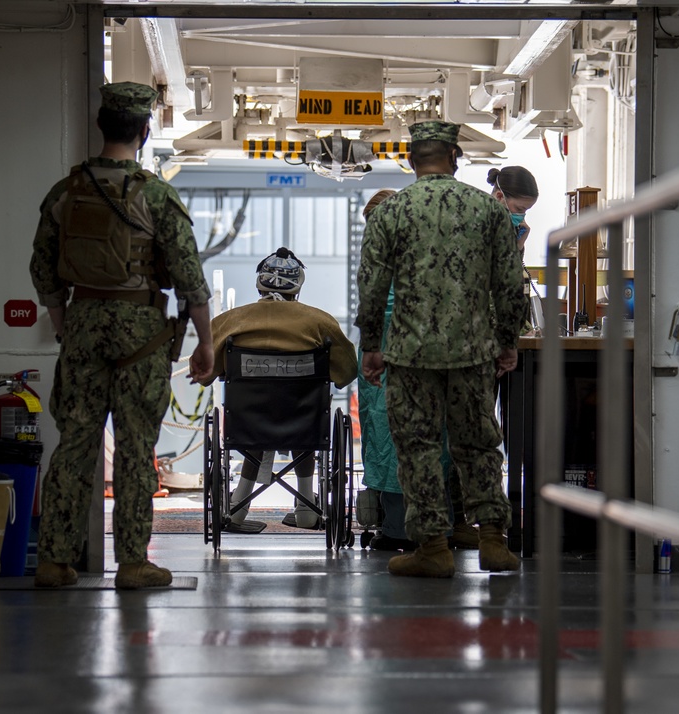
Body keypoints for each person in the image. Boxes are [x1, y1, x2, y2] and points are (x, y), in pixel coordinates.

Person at [30, 81, 215, 589]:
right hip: (142, 332)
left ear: (100, 126)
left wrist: (65, 322)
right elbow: (189, 278)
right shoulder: (156, 194)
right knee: (137, 446)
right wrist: (206, 341)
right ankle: (133, 562)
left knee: (75, 443)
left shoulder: (65, 192)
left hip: (84, 323)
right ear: (143, 130)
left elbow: (42, 268)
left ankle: (54, 559)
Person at [356, 120, 528, 578]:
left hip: (410, 355)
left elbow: (371, 286)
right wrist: (507, 341)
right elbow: (511, 286)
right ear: (455, 158)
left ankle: (432, 548)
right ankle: (493, 539)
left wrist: (371, 345)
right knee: (479, 444)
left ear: (411, 160)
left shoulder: (391, 212)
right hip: (473, 351)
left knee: (418, 447)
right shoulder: (487, 211)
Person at [200, 247, 358, 533]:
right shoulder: (320, 323)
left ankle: (237, 508)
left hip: (247, 422)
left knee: (256, 410)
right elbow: (347, 372)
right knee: (306, 406)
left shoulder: (230, 322)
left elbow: (202, 372)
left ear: (259, 283)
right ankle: (307, 507)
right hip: (304, 422)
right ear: (298, 287)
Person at [356, 190, 478, 552]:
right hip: (430, 356)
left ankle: (401, 530)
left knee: (392, 439)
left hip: (394, 356)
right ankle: (438, 528)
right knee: (424, 439)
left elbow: (380, 304)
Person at [487, 166, 540, 253]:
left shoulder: (512, 228)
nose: (522, 215)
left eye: (526, 210)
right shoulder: (479, 223)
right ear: (500, 196)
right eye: (519, 209)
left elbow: (511, 265)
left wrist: (519, 246)